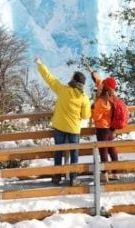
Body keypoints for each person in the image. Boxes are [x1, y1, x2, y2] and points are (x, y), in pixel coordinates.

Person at [35, 57, 91, 186]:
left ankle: (57, 176)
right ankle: (73, 178)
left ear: (73, 80)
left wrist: (40, 64)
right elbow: (86, 116)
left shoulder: (63, 90)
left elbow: (50, 79)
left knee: (58, 151)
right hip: (73, 128)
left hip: (59, 126)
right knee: (74, 153)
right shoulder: (84, 98)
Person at [84, 61, 120, 182]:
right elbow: (98, 79)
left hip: (102, 128)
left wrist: (93, 109)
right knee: (111, 149)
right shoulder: (111, 96)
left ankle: (104, 173)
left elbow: (96, 117)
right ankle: (115, 172)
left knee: (103, 150)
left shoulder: (101, 102)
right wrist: (91, 71)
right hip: (110, 128)